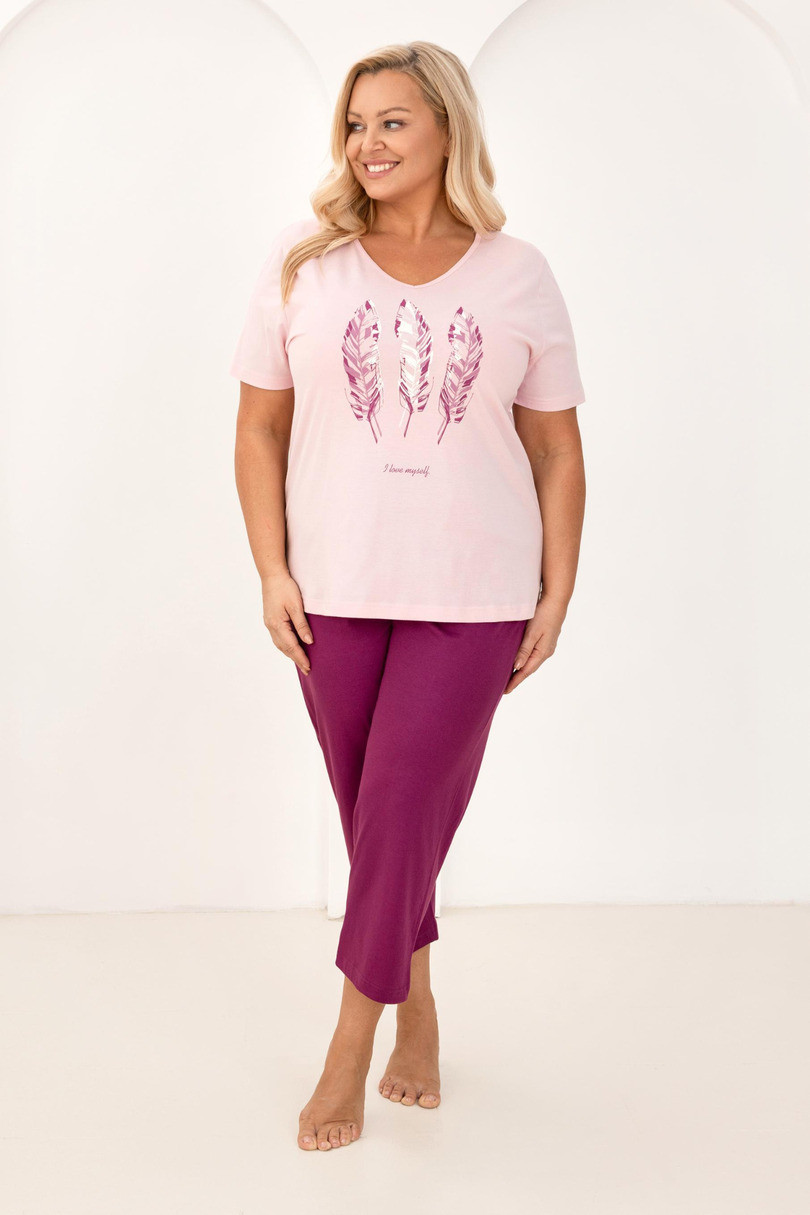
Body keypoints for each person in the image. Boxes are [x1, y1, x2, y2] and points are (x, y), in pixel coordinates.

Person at [229, 41, 587, 1153]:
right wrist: (272, 569)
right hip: (331, 588)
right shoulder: (305, 263)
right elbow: (259, 427)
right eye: (355, 124)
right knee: (378, 820)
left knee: (397, 808)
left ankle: (350, 1043)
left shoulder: (518, 272)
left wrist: (558, 589)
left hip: (474, 594)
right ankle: (417, 999)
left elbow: (556, 449)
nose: (367, 144)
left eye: (392, 121)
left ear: (446, 130)